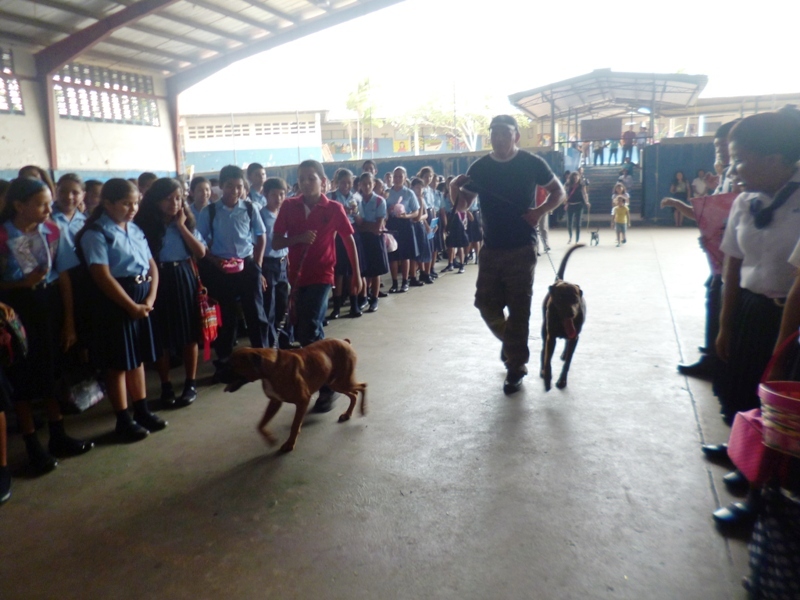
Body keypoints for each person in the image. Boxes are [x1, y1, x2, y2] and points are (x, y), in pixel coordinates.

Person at [710, 110, 800, 527]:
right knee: (743, 387)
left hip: (790, 322)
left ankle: (760, 501)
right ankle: (745, 458)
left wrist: (781, 350)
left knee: (780, 412)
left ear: (776, 159)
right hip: (751, 308)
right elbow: (732, 262)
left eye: (741, 160)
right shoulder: (745, 201)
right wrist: (726, 324)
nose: (733, 170)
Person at [453, 114, 565, 394]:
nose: (500, 138)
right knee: (485, 304)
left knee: (519, 308)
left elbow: (558, 192)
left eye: (506, 133)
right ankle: (513, 344)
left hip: (521, 247)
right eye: (495, 133)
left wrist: (539, 212)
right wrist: (454, 187)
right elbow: (462, 205)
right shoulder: (480, 167)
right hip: (491, 248)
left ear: (516, 136)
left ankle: (516, 367)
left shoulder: (531, 163)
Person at [0, 177, 93, 471]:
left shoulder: (52, 230)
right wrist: (20, 284)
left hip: (49, 303)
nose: (48, 210)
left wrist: (69, 321)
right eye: (42, 205)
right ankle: (31, 444)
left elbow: (63, 276)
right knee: (22, 376)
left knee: (52, 371)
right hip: (16, 310)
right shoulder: (3, 236)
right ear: (19, 205)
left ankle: (58, 434)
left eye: (49, 204)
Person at [77, 178, 166, 441]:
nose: (133, 208)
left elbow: (151, 265)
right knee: (118, 363)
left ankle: (142, 410)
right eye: (126, 203)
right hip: (116, 302)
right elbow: (102, 276)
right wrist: (131, 306)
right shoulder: (96, 233)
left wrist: (150, 298)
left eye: (136, 203)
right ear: (107, 203)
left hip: (142, 298)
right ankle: (123, 419)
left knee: (137, 359)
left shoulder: (135, 229)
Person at [273, 159, 362, 413]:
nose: (306, 183)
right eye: (301, 179)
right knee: (308, 332)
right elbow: (276, 242)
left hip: (322, 276)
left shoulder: (333, 209)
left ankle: (326, 388)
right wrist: (298, 238)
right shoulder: (289, 206)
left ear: (323, 182)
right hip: (296, 279)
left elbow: (348, 241)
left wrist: (357, 275)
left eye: (311, 178)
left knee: (309, 329)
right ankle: (330, 365)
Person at [135, 178, 206, 409]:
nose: (174, 203)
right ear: (156, 200)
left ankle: (190, 384)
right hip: (157, 280)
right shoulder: (144, 225)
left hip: (183, 276)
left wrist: (182, 227)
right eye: (168, 199)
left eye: (178, 198)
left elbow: (200, 252)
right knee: (161, 336)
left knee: (189, 334)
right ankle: (165, 385)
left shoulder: (186, 223)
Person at [195, 165, 269, 378]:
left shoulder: (249, 208)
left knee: (255, 312)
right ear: (220, 186)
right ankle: (225, 360)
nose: (235, 191)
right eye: (230, 186)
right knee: (226, 316)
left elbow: (261, 236)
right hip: (221, 269)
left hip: (247, 266)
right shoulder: (209, 212)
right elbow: (200, 242)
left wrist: (257, 265)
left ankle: (262, 356)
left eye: (239, 186)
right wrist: (214, 260)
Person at [328, 169, 365, 318]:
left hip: (351, 233)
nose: (346, 186)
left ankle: (354, 305)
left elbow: (360, 221)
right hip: (336, 235)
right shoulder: (331, 197)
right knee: (339, 272)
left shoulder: (357, 198)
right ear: (337, 182)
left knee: (351, 271)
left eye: (349, 183)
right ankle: (336, 307)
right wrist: (340, 211)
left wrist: (355, 212)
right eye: (343, 182)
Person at [260, 177, 290, 348]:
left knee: (283, 305)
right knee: (269, 307)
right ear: (265, 195)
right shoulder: (261, 216)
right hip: (268, 264)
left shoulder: (284, 214)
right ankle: (272, 345)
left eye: (282, 194)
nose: (278, 198)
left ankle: (285, 341)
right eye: (274, 194)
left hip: (283, 262)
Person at [354, 172, 389, 312]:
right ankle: (363, 297)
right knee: (363, 269)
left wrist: (364, 226)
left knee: (375, 271)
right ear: (359, 185)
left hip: (375, 239)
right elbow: (356, 225)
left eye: (370, 183)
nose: (367, 186)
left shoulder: (380, 201)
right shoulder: (356, 200)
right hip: (361, 239)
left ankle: (374, 298)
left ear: (374, 184)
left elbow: (377, 227)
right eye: (364, 184)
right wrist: (368, 226)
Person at [385, 166, 420, 293]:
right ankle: (394, 283)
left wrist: (407, 216)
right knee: (393, 255)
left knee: (405, 254)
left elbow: (416, 212)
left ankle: (405, 281)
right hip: (392, 224)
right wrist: (388, 210)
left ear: (405, 178)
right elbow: (383, 208)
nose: (398, 179)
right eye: (395, 176)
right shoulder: (387, 193)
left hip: (405, 224)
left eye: (400, 176)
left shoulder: (409, 193)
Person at [52, 173, 87, 250]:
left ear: (83, 196)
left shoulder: (84, 222)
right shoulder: (46, 218)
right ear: (56, 192)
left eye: (75, 193)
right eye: (63, 191)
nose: (69, 197)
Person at [565, 172, 589, 244]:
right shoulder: (568, 184)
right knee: (569, 223)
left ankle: (577, 240)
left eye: (577, 177)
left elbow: (585, 194)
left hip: (579, 205)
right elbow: (565, 194)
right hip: (570, 205)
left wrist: (587, 202)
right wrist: (566, 203)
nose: (575, 179)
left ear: (579, 177)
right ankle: (570, 237)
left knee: (578, 223)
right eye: (574, 177)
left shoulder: (581, 185)